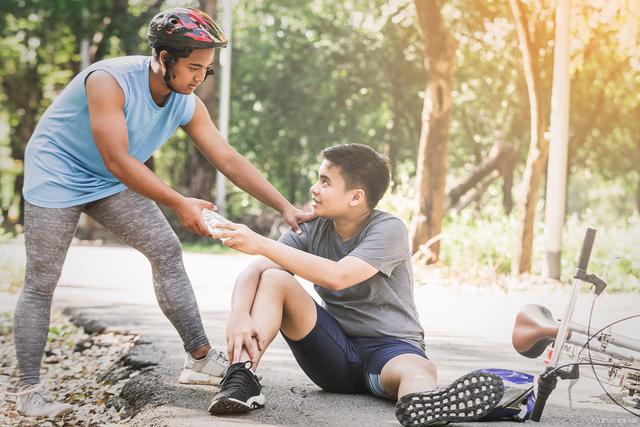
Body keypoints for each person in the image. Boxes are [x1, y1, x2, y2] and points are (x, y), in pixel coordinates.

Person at [13, 7, 312, 418]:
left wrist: (284, 206)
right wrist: (178, 201)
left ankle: (199, 357)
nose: (198, 78)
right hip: (57, 174)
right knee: (42, 280)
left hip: (108, 181)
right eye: (193, 67)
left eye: (206, 70)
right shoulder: (109, 81)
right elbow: (118, 160)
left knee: (166, 250)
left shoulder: (185, 101)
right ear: (163, 57)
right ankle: (29, 391)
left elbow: (227, 158)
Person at [206, 144, 505, 426]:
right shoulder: (312, 228)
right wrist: (239, 314)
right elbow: (254, 272)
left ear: (356, 197)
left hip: (390, 350)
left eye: (325, 182)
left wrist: (261, 243)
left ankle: (422, 405)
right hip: (334, 352)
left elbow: (339, 276)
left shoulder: (389, 229)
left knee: (418, 370)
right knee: (274, 278)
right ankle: (241, 377)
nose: (315, 188)